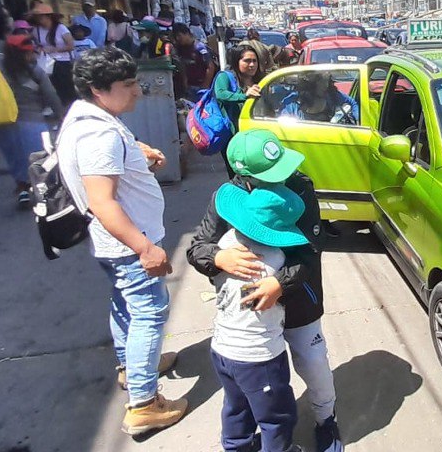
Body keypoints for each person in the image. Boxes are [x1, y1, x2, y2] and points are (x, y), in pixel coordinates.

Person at [56, 47, 186, 435]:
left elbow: (106, 173)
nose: (137, 92)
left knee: (125, 305)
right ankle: (145, 402)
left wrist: (136, 154)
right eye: (127, 85)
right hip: (130, 244)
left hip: (114, 245)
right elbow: (102, 201)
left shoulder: (90, 119)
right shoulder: (99, 134)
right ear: (98, 89)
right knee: (149, 312)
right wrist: (145, 247)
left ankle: (132, 367)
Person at [188, 130, 343, 452]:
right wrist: (218, 257)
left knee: (314, 365)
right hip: (251, 320)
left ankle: (326, 420)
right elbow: (197, 247)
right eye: (271, 174)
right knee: (256, 393)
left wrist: (280, 283)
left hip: (300, 300)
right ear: (243, 175)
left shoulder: (300, 186)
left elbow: (311, 250)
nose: (284, 177)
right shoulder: (226, 196)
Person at [0, 34, 63, 207]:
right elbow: (50, 94)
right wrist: (61, 115)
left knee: (14, 158)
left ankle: (23, 189)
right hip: (31, 121)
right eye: (28, 52)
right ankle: (42, 192)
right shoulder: (34, 70)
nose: (32, 55)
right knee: (38, 159)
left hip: (2, 124)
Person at [213, 45, 266, 178]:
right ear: (237, 61)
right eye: (247, 61)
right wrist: (244, 96)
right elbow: (221, 94)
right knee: (238, 173)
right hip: (232, 135)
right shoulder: (225, 76)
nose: (252, 64)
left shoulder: (260, 79)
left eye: (255, 61)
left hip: (255, 134)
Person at [30, 2, 77, 106]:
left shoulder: (61, 28)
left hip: (62, 63)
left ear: (48, 17)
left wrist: (55, 49)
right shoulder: (36, 30)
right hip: (46, 63)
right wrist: (38, 49)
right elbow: (34, 43)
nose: (38, 20)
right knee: (52, 87)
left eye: (40, 17)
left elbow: (71, 46)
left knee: (66, 88)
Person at [278, 71, 359, 125]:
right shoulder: (292, 102)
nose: (326, 86)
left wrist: (357, 120)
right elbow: (282, 124)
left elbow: (352, 102)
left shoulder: (332, 95)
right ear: (311, 85)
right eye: (322, 82)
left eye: (327, 81)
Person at [171, 23, 215, 100]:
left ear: (187, 33)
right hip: (189, 87)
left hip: (201, 87)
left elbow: (210, 67)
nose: (178, 39)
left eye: (179, 35)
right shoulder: (180, 49)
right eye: (176, 37)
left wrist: (205, 87)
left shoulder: (200, 48)